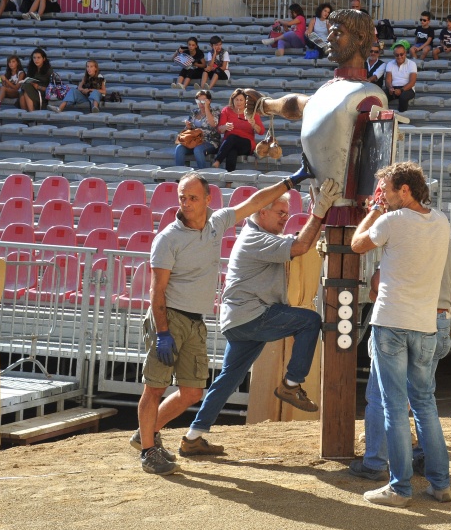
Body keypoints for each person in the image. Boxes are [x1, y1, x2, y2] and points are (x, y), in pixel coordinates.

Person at [133, 169, 324, 475]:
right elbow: (157, 291)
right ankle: (147, 449)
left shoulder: (216, 222)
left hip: (200, 319)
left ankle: (172, 434)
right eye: (182, 197)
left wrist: (292, 180)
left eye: (193, 197)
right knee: (154, 387)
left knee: (198, 390)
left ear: (208, 199)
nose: (186, 203)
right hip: (173, 318)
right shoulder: (168, 238)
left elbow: (254, 201)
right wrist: (162, 331)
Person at [183, 177, 342, 457]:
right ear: (262, 213)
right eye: (280, 213)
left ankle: (194, 435)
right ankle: (291, 384)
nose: (285, 218)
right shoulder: (256, 238)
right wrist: (320, 211)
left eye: (288, 213)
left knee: (228, 380)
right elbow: (301, 247)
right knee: (310, 321)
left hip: (240, 319)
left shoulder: (257, 235)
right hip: (251, 315)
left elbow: (300, 241)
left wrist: (320, 210)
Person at [351, 162, 451, 507]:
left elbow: (356, 244)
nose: (385, 196)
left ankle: (400, 488)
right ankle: (440, 484)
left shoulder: (391, 220)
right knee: (425, 405)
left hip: (392, 323)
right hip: (425, 325)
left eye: (388, 190)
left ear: (404, 190)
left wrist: (374, 211)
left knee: (395, 408)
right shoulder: (441, 221)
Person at [242, 7, 387, 214]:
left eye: (337, 33)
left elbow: (377, 156)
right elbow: (301, 104)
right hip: (321, 205)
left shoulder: (368, 94)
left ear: (360, 38)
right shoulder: (332, 88)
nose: (328, 37)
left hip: (351, 211)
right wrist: (265, 105)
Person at [349, 236, 451, 484]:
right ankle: (432, 470)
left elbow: (378, 285)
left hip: (401, 320)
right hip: (439, 319)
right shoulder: (444, 235)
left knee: (383, 398)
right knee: (423, 401)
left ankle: (376, 462)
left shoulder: (401, 233)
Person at [212, 88, 266, 171]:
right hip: (229, 144)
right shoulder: (226, 110)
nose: (239, 102)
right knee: (231, 152)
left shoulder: (252, 113)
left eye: (241, 100)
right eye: (236, 100)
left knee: (232, 137)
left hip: (246, 143)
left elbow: (261, 131)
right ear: (232, 100)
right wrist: (225, 127)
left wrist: (254, 124)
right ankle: (229, 181)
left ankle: (218, 161)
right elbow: (219, 129)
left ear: (245, 101)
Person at [173, 90, 220, 169]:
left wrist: (206, 109)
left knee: (198, 150)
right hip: (194, 141)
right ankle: (179, 175)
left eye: (203, 101)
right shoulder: (194, 112)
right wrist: (188, 126)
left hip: (210, 141)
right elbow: (189, 131)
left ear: (209, 101)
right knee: (179, 148)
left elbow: (213, 124)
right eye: (198, 101)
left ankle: (202, 176)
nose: (200, 103)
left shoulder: (215, 112)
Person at [384, 40, 417, 112]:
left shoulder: (412, 64)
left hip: (407, 88)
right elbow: (388, 80)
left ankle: (401, 116)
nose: (399, 57)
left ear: (405, 54)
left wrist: (401, 90)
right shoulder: (390, 64)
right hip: (393, 88)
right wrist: (390, 88)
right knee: (382, 96)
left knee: (403, 97)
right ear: (394, 55)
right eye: (397, 55)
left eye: (401, 54)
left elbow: (412, 82)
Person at [19, 47, 52, 112]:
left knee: (26, 88)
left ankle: (32, 114)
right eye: (34, 58)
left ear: (44, 59)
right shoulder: (31, 69)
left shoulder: (49, 70)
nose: (36, 60)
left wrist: (38, 87)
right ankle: (27, 117)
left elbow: (51, 89)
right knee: (22, 93)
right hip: (31, 90)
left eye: (38, 57)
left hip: (42, 93)